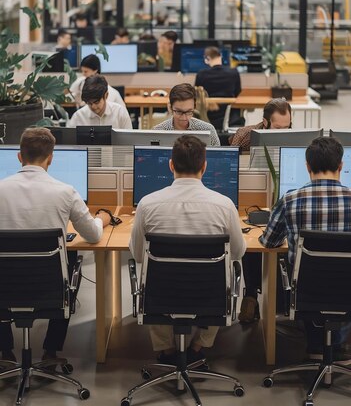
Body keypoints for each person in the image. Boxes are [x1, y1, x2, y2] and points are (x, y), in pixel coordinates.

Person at [130, 135, 245, 365]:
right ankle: (198, 346)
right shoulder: (224, 205)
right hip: (208, 294)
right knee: (226, 273)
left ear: (171, 165)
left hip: (161, 293)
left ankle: (166, 349)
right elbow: (238, 251)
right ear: (205, 166)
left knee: (151, 274)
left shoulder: (147, 203)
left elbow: (137, 253)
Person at [0, 127, 111, 362]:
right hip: (49, 288)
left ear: (19, 156)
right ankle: (51, 351)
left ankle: (5, 351)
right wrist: (102, 219)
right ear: (51, 157)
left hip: (5, 286)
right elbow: (92, 236)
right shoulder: (66, 192)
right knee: (72, 260)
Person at [260, 136, 351, 358]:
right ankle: (336, 346)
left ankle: (316, 344)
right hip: (347, 287)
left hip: (305, 289)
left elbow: (269, 242)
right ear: (341, 165)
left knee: (304, 274)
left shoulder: (290, 199)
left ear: (307, 166)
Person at [236, 98, 292, 323]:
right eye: (279, 128)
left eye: (288, 127)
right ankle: (251, 294)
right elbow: (231, 168)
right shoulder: (245, 136)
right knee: (250, 238)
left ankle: (281, 300)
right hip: (251, 198)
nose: (285, 132)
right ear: (265, 123)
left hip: (285, 197)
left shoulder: (298, 139)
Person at [154, 83, 220, 146]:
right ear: (170, 107)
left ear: (194, 107)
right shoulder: (158, 131)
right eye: (179, 112)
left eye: (189, 112)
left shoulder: (208, 130)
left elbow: (217, 156)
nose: (184, 118)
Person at [195, 46, 242, 130]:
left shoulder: (202, 74)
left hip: (208, 114)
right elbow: (237, 91)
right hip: (229, 114)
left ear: (207, 58)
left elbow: (197, 93)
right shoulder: (234, 72)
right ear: (220, 56)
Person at [68, 75, 132, 129]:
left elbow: (129, 140)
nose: (93, 106)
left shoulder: (120, 113)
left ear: (106, 96)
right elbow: (70, 142)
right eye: (89, 103)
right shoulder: (78, 117)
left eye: (96, 102)